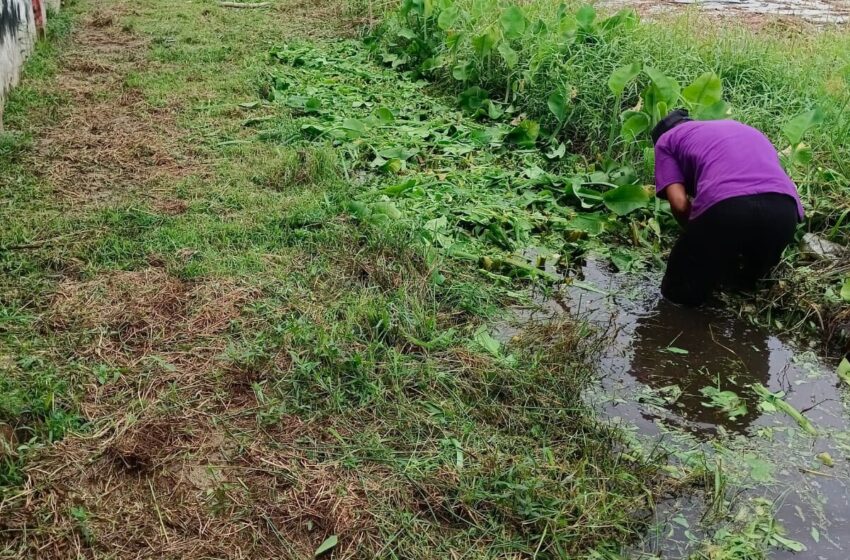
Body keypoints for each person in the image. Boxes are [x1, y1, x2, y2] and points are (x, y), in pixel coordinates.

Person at [652, 109, 804, 305]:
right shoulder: (743, 129)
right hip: (783, 213)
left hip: (728, 208)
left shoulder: (666, 140)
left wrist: (694, 238)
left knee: (677, 295)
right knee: (740, 287)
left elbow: (680, 205)